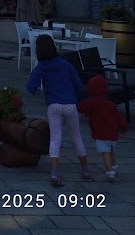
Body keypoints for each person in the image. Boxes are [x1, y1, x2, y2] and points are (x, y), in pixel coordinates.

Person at [26, 33, 91, 186]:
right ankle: (85, 168)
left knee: (55, 138)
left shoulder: (41, 67)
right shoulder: (65, 64)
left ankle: (54, 172)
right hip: (69, 104)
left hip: (53, 105)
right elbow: (78, 84)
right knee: (76, 137)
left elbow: (30, 88)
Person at [77, 74, 128, 181]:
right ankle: (114, 167)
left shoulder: (92, 101)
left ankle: (110, 172)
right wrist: (123, 129)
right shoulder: (110, 103)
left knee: (105, 152)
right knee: (112, 151)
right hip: (113, 133)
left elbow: (81, 108)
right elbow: (119, 118)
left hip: (100, 133)